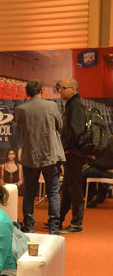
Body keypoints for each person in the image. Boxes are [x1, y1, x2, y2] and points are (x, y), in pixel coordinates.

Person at [14, 79, 65, 234]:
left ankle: (29, 227)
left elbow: (19, 131)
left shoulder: (20, 109)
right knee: (53, 193)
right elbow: (60, 127)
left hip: (30, 156)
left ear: (27, 92)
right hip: (50, 155)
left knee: (29, 193)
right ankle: (54, 228)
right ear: (41, 91)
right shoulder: (52, 106)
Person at [58, 78, 87, 233]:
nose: (60, 90)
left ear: (73, 90)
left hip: (74, 153)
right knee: (68, 187)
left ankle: (77, 223)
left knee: (74, 188)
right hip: (71, 152)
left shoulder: (75, 106)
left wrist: (66, 148)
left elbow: (76, 131)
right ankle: (59, 219)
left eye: (63, 87)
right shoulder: (72, 105)